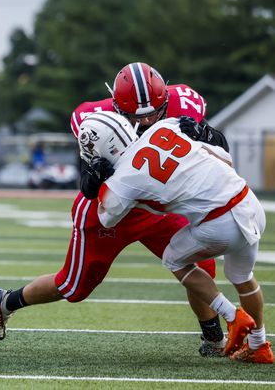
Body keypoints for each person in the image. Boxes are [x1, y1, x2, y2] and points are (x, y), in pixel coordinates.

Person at [0, 62, 231, 356]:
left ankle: (213, 339)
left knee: (201, 264)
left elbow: (221, 149)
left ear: (166, 98)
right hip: (108, 209)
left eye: (156, 112)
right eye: (137, 117)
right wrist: (96, 172)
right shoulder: (95, 120)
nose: (149, 121)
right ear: (116, 107)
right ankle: (6, 301)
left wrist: (205, 132)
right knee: (74, 287)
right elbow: (87, 188)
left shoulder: (184, 104)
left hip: (156, 207)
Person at [83, 111, 271, 364]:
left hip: (221, 223)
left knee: (173, 259)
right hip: (249, 202)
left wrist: (101, 181)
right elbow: (225, 159)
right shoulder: (167, 126)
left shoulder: (123, 180)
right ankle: (259, 345)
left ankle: (231, 315)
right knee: (241, 276)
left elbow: (107, 217)